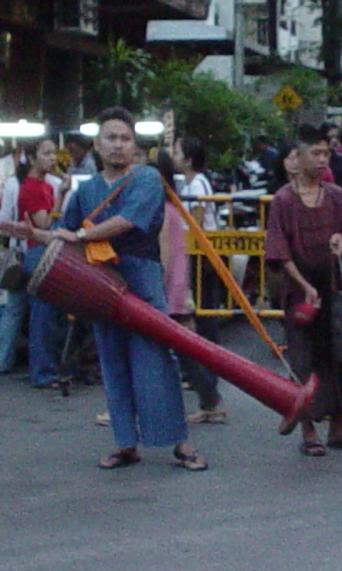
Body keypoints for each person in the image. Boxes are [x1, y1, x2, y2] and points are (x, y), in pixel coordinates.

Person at [0, 107, 208, 471]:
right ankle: (126, 443)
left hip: (141, 277)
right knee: (112, 360)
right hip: (97, 279)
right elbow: (65, 234)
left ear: (134, 145)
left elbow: (125, 222)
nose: (117, 145)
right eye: (110, 138)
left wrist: (79, 234)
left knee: (157, 358)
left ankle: (181, 443)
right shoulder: (87, 189)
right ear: (97, 144)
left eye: (125, 139)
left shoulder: (146, 178)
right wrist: (34, 235)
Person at [265, 124, 342, 457]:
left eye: (327, 153)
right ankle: (309, 430)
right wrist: (304, 286)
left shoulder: (336, 195)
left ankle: (339, 427)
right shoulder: (283, 199)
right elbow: (279, 251)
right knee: (303, 358)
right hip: (299, 290)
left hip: (332, 284)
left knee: (339, 355)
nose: (323, 160)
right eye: (317, 153)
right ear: (299, 156)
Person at [157, 149, 227, 424]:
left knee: (179, 353)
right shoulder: (173, 208)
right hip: (178, 289)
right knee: (186, 352)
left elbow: (164, 256)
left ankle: (208, 402)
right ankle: (210, 402)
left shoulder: (163, 211)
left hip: (168, 292)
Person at [15, 138, 67, 388]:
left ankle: (46, 368)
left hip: (43, 253)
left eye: (53, 153)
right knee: (43, 317)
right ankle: (43, 371)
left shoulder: (43, 185)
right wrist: (62, 194)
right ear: (33, 158)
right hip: (39, 254)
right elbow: (45, 223)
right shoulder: (33, 187)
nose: (52, 158)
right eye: (46, 153)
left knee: (46, 316)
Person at [320, 122, 342, 196]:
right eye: (331, 137)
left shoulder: (341, 160)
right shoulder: (315, 159)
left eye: (337, 137)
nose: (335, 140)